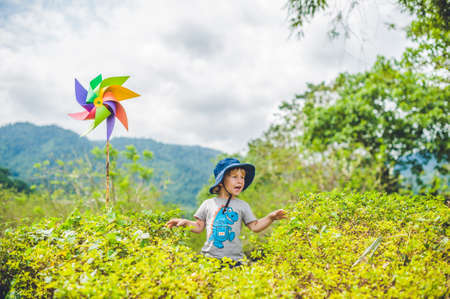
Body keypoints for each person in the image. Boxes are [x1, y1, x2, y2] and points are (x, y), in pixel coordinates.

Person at [166, 157, 287, 265]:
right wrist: (185, 222)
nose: (240, 181)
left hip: (235, 262)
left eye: (242, 177)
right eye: (234, 177)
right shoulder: (208, 204)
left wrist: (271, 217)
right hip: (210, 260)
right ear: (221, 181)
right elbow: (198, 227)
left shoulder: (242, 206)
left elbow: (255, 226)